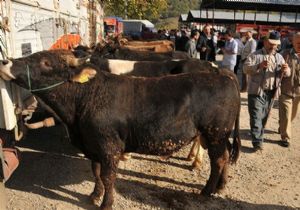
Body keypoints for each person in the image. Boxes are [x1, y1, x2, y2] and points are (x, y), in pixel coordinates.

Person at [243, 31, 291, 151]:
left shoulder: (279, 57)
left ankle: (257, 134)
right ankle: (257, 142)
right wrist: (259, 66)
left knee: (264, 116)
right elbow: (245, 68)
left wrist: (286, 70)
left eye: (275, 45)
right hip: (256, 91)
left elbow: (287, 73)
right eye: (270, 43)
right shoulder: (255, 55)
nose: (272, 46)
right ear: (265, 42)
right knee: (256, 116)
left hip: (271, 92)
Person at [279, 32, 300, 147]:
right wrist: (281, 68)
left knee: (292, 114)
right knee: (286, 113)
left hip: (298, 91)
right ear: (293, 42)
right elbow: (276, 68)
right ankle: (286, 137)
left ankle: (282, 125)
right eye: (298, 42)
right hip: (286, 89)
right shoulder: (285, 54)